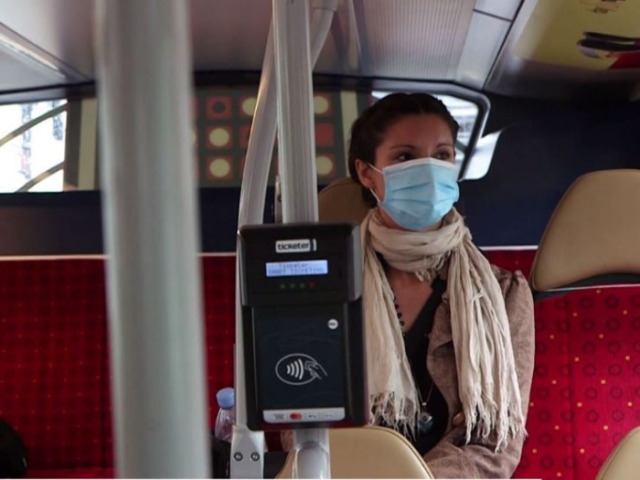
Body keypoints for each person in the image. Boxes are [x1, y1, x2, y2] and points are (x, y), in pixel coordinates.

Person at [348, 93, 535, 479]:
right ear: (367, 173)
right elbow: (302, 422)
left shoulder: (503, 294)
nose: (428, 171)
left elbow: (498, 442)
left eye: (442, 155)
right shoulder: (329, 290)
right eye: (405, 157)